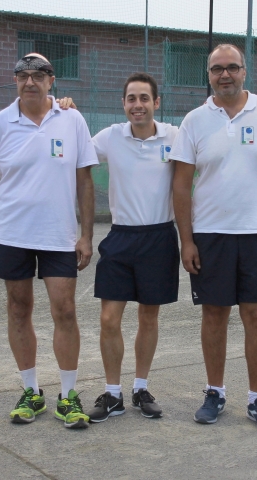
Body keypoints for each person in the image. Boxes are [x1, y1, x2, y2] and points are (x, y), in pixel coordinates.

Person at [170, 44, 257, 432]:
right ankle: (214, 392)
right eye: (217, 69)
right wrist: (187, 240)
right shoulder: (195, 120)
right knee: (214, 314)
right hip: (210, 235)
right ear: (209, 75)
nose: (224, 74)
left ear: (244, 72)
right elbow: (181, 186)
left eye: (232, 67)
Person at [0, 53, 99, 429]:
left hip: (58, 235)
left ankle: (68, 395)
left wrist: (86, 236)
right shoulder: (0, 124)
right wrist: (10, 201)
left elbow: (84, 181)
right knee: (18, 308)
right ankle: (30, 391)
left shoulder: (72, 119)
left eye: (38, 75)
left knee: (65, 311)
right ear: (15, 81)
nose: (30, 82)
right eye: (23, 75)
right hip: (13, 234)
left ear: (52, 79)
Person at [84, 72, 180, 423]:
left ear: (156, 103)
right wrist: (63, 109)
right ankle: (112, 394)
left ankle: (140, 388)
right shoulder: (110, 137)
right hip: (121, 237)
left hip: (160, 237)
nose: (137, 105)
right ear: (123, 104)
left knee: (148, 316)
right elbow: (75, 151)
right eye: (130, 99)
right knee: (109, 318)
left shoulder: (174, 136)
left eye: (144, 98)